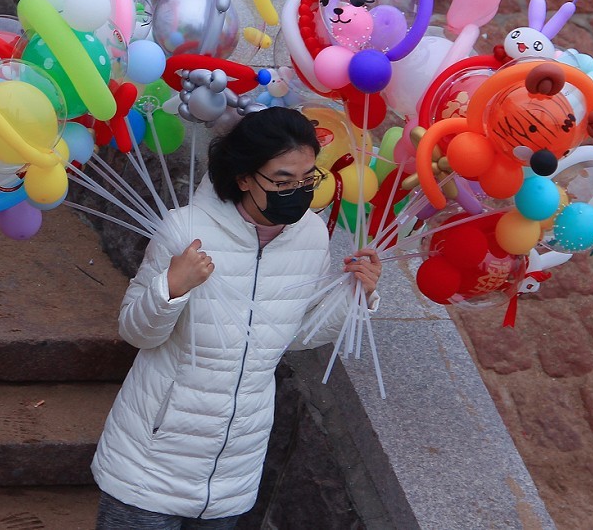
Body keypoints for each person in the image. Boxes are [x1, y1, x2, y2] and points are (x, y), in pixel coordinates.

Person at [91, 106, 382, 529]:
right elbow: (136, 331)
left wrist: (357, 295)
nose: (298, 191)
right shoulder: (185, 229)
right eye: (283, 181)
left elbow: (290, 334)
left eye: (307, 179)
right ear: (245, 177)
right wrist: (171, 287)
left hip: (234, 468)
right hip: (151, 461)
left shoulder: (313, 235)